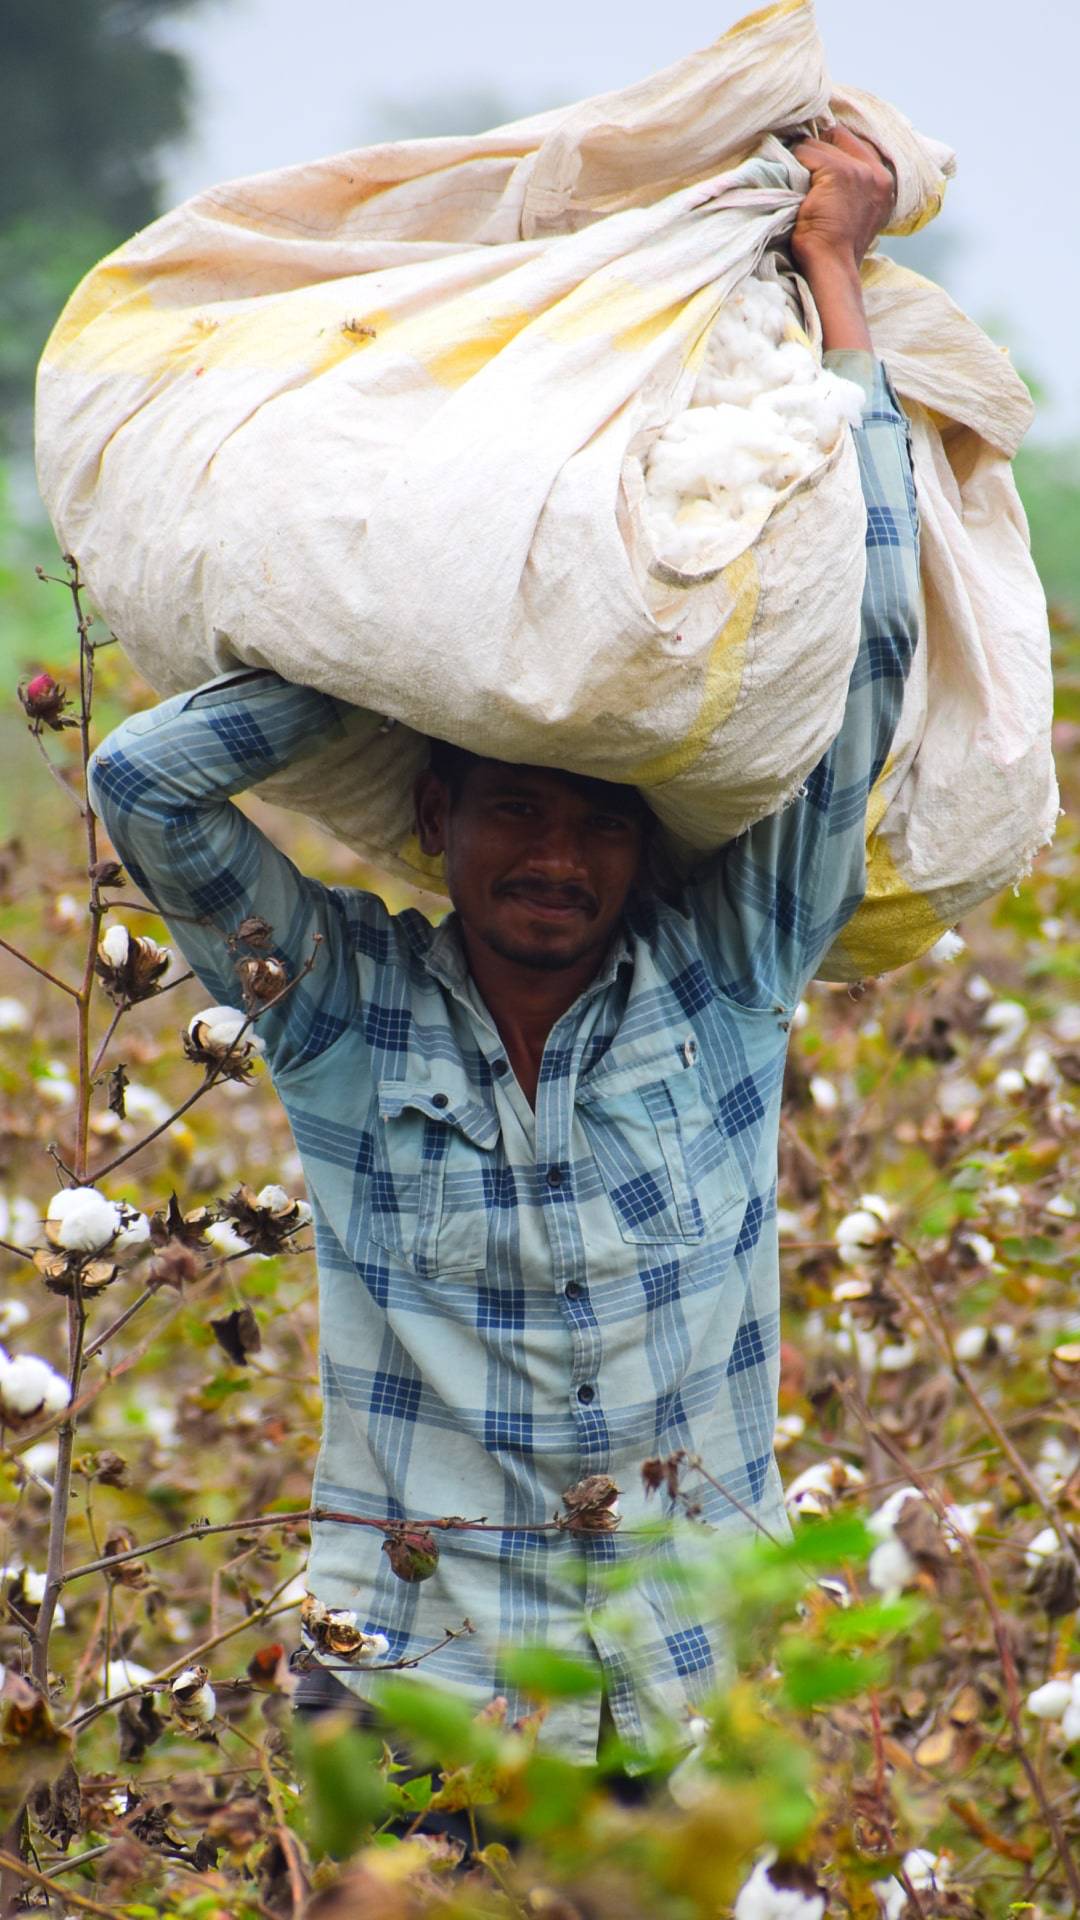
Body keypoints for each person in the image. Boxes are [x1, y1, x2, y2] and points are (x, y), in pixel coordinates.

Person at [88, 127, 917, 1763]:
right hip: (410, 1700)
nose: (557, 855)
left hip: (672, 1705)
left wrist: (835, 278)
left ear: (644, 836)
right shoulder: (341, 1014)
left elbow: (868, 655)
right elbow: (144, 784)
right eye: (515, 810)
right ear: (440, 807)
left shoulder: (727, 978)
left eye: (599, 819)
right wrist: (413, 653)